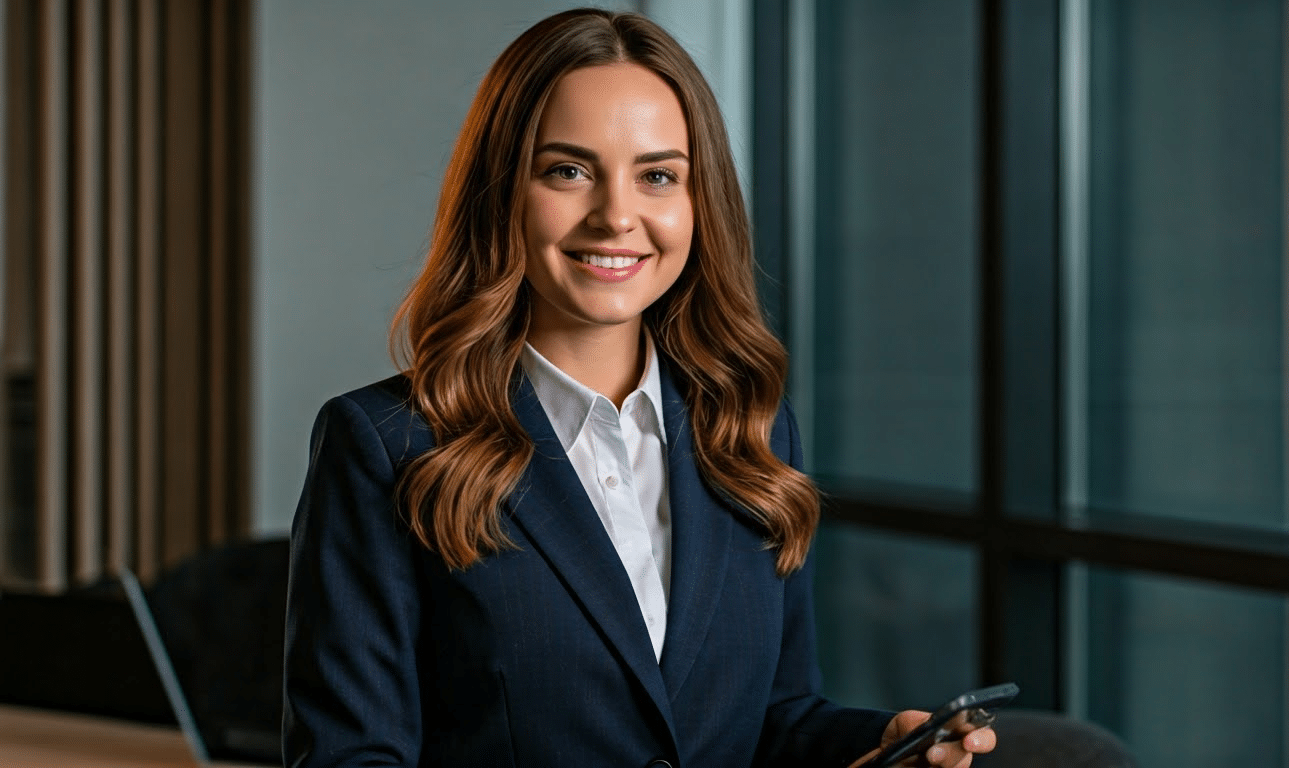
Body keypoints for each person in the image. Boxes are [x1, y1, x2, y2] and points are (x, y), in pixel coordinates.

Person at [282, 8, 996, 768]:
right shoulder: (387, 444)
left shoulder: (749, 430)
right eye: (568, 171)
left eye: (658, 176)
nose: (617, 215)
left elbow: (774, 719)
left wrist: (878, 746)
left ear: (699, 202)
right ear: (503, 193)